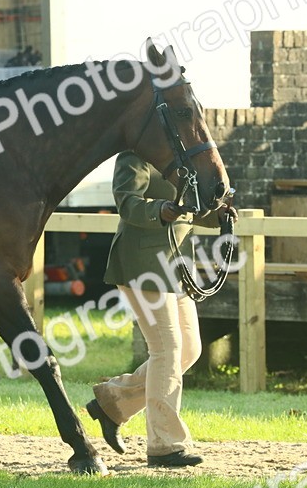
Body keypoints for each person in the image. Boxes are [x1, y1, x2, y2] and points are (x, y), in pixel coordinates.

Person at [85, 151, 236, 468]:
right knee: (167, 349)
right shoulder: (135, 156)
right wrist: (159, 209)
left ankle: (113, 402)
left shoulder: (182, 160)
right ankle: (165, 445)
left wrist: (217, 216)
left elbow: (190, 210)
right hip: (142, 265)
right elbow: (127, 203)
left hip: (175, 267)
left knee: (189, 349)